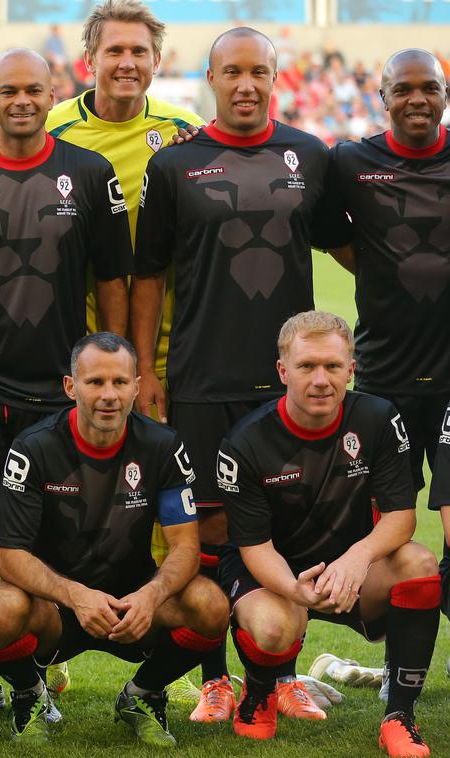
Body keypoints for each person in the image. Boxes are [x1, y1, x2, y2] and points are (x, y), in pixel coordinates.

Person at [0, 47, 132, 720]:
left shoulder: (90, 173)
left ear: (52, 92)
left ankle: (34, 670)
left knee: (43, 535)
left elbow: (113, 279)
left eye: (34, 89)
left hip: (54, 388)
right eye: (8, 90)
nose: (21, 101)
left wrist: (114, 366)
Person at [128, 27, 341, 722]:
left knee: (287, 529)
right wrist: (147, 371)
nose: (246, 84)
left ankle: (277, 676)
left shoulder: (311, 154)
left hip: (291, 385)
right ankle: (214, 678)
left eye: (259, 72)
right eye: (232, 72)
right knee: (212, 533)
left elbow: (349, 243)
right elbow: (149, 274)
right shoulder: (175, 165)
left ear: (277, 76)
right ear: (210, 77)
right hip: (201, 376)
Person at [41, 0, 206, 705]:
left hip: (173, 353)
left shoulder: (180, 134)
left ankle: (183, 674)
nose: (128, 62)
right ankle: (42, 655)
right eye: (115, 51)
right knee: (56, 503)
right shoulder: (53, 129)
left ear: (156, 60)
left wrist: (156, 366)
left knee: (172, 518)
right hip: (72, 356)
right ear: (90, 60)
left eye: (140, 51)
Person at [0, 332, 227, 746]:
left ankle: (143, 694)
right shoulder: (32, 448)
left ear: (137, 387)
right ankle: (29, 694)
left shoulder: (164, 446)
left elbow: (185, 546)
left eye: (120, 382)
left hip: (132, 604)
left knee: (211, 605)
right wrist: (75, 595)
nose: (109, 395)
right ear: (71, 387)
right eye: (95, 383)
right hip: (57, 606)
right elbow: (11, 556)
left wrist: (150, 595)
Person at [218, 311, 438, 758]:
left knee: (419, 563)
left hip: (350, 570)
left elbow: (400, 516)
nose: (321, 380)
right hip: (272, 574)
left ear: (351, 369)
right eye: (306, 367)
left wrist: (356, 560)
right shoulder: (245, 442)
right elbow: (253, 546)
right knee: (276, 625)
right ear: (283, 371)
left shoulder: (379, 418)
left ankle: (399, 718)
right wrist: (295, 591)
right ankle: (260, 694)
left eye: (333, 367)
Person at [306, 48, 450, 693]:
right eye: (404, 89)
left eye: (431, 88)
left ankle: (403, 666)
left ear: (445, 94)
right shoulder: (350, 162)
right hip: (385, 379)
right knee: (380, 539)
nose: (417, 100)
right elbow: (329, 232)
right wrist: (384, 269)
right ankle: (388, 663)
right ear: (381, 95)